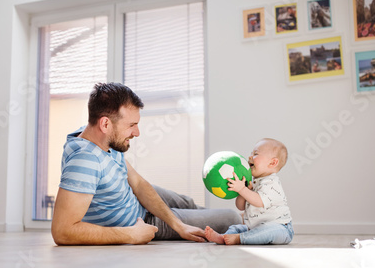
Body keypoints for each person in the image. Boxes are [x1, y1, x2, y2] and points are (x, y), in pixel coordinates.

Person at [51, 82, 242, 245]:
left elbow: (137, 182)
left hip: (134, 198)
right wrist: (130, 235)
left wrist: (178, 225)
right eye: (131, 125)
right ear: (105, 124)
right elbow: (62, 231)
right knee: (231, 218)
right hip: (143, 220)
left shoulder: (98, 138)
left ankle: (189, 219)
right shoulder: (84, 161)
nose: (137, 133)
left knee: (188, 203)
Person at [204, 138, 294, 245]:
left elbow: (259, 201)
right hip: (254, 228)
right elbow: (240, 206)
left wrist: (243, 189)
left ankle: (239, 239)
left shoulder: (271, 182)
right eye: (251, 153)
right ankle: (223, 237)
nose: (250, 157)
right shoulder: (254, 182)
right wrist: (244, 191)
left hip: (281, 228)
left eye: (256, 154)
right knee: (236, 228)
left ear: (272, 162)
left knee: (269, 231)